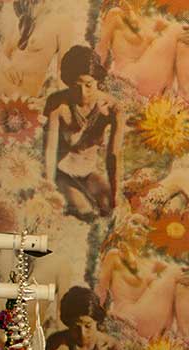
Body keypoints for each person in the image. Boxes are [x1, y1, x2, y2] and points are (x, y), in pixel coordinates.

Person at [44, 45, 124, 220]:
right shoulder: (57, 104)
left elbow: (113, 155)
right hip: (62, 173)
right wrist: (49, 188)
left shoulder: (113, 109)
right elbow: (50, 150)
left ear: (98, 80)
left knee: (110, 208)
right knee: (86, 212)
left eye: (89, 85)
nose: (83, 93)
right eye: (76, 86)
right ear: (67, 82)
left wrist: (115, 192)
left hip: (89, 172)